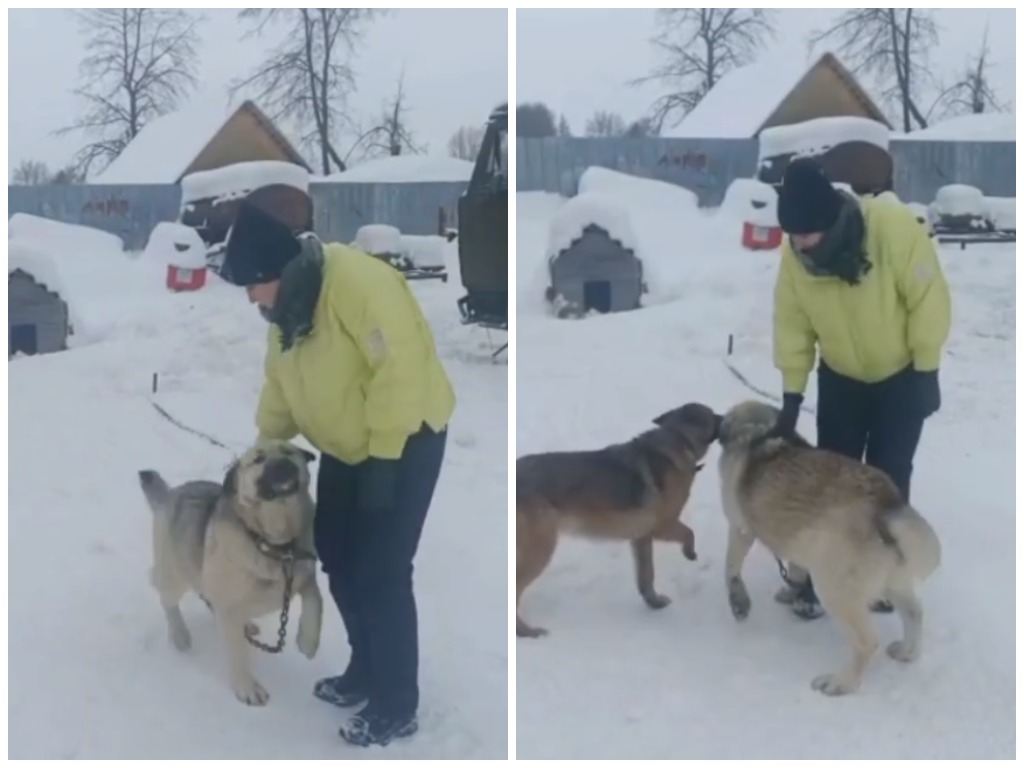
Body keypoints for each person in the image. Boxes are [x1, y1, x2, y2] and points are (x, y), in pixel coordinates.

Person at [219, 200, 457, 747]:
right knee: (338, 556)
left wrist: (386, 460)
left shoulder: (356, 284)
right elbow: (279, 389)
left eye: (252, 286)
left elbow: (399, 370)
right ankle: (366, 668)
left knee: (383, 569)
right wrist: (259, 457)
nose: (251, 299)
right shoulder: (286, 314)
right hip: (350, 447)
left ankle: (397, 702)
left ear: (274, 273)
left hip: (406, 437)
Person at [770, 158, 952, 620]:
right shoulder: (796, 256)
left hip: (900, 376)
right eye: (794, 236)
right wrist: (792, 393)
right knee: (833, 483)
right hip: (841, 378)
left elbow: (928, 301)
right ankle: (820, 571)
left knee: (888, 479)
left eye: (808, 235)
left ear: (831, 220)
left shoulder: (891, 228)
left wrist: (926, 370)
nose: (801, 245)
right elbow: (791, 323)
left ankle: (887, 574)